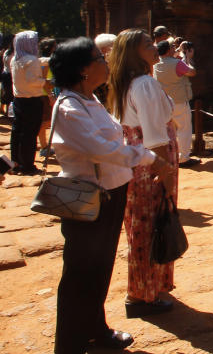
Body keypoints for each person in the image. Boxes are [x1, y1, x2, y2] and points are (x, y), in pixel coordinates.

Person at [49, 37, 175, 354]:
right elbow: (101, 149)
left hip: (112, 192)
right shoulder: (69, 107)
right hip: (91, 196)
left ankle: (95, 329)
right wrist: (148, 157)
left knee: (100, 267)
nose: (105, 61)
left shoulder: (90, 100)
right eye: (97, 58)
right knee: (80, 273)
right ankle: (70, 344)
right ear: (82, 69)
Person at [107, 29, 179, 318]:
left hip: (136, 160)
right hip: (151, 161)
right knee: (150, 226)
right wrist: (165, 170)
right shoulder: (145, 84)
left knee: (141, 225)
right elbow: (154, 136)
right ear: (133, 53)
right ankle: (141, 295)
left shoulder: (125, 83)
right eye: (147, 44)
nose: (154, 47)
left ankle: (145, 287)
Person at [153, 40, 199, 167]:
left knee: (168, 131)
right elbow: (192, 72)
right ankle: (183, 158)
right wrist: (186, 57)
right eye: (172, 48)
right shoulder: (177, 63)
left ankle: (168, 156)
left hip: (163, 102)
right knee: (184, 129)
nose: (175, 49)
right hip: (178, 101)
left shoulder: (155, 64)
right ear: (168, 51)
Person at [10, 31, 48, 175]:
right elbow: (33, 81)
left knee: (17, 132)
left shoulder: (16, 59)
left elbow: (38, 62)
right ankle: (27, 166)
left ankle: (16, 162)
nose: (36, 44)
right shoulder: (32, 60)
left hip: (19, 100)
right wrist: (47, 82)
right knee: (30, 133)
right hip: (32, 101)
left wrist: (48, 59)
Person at [37, 37, 58, 158]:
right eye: (54, 46)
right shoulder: (45, 63)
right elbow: (44, 82)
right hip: (44, 95)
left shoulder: (45, 61)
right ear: (49, 48)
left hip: (45, 94)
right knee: (46, 122)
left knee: (47, 121)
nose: (56, 48)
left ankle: (45, 146)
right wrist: (50, 96)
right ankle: (44, 146)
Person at [0, 33, 13, 118]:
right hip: (9, 75)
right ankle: (7, 111)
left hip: (5, 73)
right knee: (9, 93)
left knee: (5, 92)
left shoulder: (6, 52)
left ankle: (3, 109)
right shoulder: (11, 53)